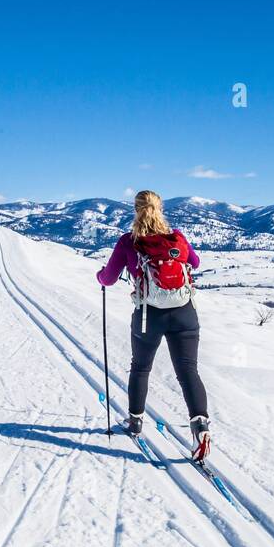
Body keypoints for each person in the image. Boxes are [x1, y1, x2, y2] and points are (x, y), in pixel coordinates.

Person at [96, 190, 211, 462]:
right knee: (187, 371)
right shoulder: (178, 238)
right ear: (160, 209)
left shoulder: (129, 242)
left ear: (135, 210)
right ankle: (200, 426)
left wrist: (99, 275)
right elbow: (195, 262)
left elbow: (109, 278)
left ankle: (135, 422)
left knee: (141, 367)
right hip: (185, 313)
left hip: (149, 316)